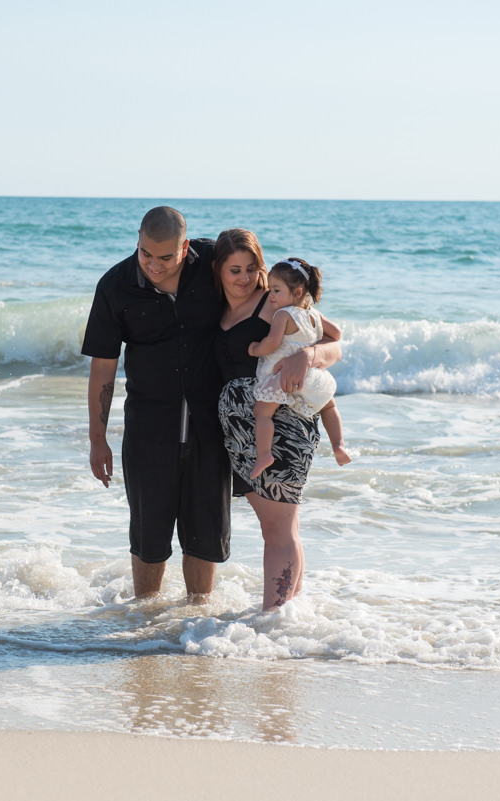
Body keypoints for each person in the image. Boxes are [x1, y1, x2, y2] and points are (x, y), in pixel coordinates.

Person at [81, 207, 230, 603]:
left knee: (204, 536)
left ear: (185, 247)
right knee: (148, 537)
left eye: (166, 257)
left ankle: (196, 626)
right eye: (146, 254)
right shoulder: (115, 286)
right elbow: (103, 370)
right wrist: (98, 439)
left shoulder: (213, 264)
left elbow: (259, 286)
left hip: (211, 428)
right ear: (138, 242)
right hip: (149, 429)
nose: (154, 265)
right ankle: (143, 626)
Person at [213, 230, 343, 610]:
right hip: (244, 435)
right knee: (283, 527)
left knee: (279, 529)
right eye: (234, 269)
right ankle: (287, 615)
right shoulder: (212, 305)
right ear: (218, 270)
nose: (244, 278)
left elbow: (336, 341)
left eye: (252, 269)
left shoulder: (276, 303)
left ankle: (273, 620)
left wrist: (308, 357)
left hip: (282, 424)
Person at [247, 257, 350, 478]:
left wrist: (255, 348)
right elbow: (337, 334)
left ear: (297, 292)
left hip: (282, 376)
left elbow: (272, 344)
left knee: (262, 412)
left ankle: (264, 454)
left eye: (276, 290)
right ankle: (339, 446)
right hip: (310, 374)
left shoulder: (283, 314)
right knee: (328, 407)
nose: (270, 296)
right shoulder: (314, 314)